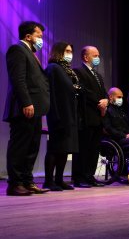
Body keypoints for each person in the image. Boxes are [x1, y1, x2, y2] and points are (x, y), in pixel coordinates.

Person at [3, 21, 50, 196]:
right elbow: (18, 80)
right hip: (24, 108)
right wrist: (26, 102)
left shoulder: (30, 52)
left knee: (32, 147)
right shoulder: (17, 50)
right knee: (20, 146)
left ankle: (27, 182)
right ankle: (15, 184)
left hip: (35, 109)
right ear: (28, 36)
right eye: (38, 36)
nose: (41, 40)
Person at [43, 42, 80, 191]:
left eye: (71, 51)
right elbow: (50, 93)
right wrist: (55, 115)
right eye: (67, 50)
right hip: (58, 114)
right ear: (59, 51)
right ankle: (48, 181)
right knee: (55, 148)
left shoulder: (67, 70)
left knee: (65, 148)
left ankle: (59, 179)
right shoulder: (53, 68)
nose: (70, 53)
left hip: (70, 114)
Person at [72, 46, 108, 188]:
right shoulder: (78, 71)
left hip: (99, 117)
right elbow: (83, 90)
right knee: (84, 148)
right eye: (95, 55)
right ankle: (79, 177)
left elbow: (104, 92)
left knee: (94, 149)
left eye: (98, 55)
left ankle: (89, 176)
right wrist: (99, 101)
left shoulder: (98, 75)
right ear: (86, 57)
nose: (98, 57)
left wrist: (105, 100)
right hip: (86, 116)